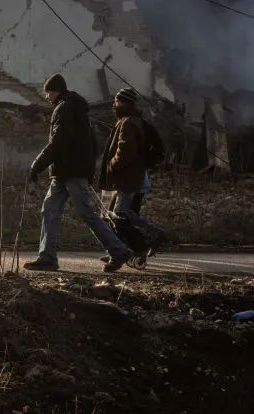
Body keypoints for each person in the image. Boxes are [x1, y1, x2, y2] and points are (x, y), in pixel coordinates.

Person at [23, 74, 134, 273]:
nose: (47, 97)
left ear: (56, 90)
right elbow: (93, 144)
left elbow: (57, 143)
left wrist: (36, 166)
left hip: (70, 172)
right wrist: (87, 168)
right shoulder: (78, 110)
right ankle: (47, 257)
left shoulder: (64, 109)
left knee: (85, 213)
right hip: (67, 172)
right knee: (50, 209)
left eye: (48, 92)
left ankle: (118, 250)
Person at [98, 88, 165, 262]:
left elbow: (125, 151)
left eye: (116, 101)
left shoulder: (128, 122)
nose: (114, 105)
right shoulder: (133, 121)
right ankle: (120, 251)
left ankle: (151, 235)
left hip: (126, 178)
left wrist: (112, 166)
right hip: (130, 177)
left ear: (124, 103)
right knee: (116, 215)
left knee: (120, 215)